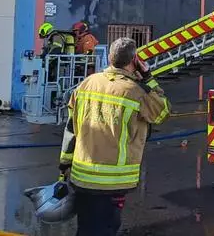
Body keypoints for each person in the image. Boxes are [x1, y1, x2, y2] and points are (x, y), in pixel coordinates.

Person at [58, 37, 170, 236]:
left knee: (85, 228)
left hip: (81, 177)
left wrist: (64, 167)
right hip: (113, 182)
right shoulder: (136, 92)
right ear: (134, 61)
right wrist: (148, 77)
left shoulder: (86, 84)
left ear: (110, 58)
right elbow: (162, 112)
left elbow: (71, 129)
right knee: (106, 228)